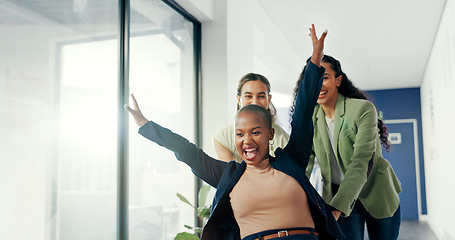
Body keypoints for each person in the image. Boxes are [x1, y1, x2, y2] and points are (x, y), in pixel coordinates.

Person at [125, 25, 344, 240]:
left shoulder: (292, 159)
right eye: (240, 134)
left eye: (255, 132)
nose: (247, 140)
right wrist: (144, 124)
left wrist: (315, 60)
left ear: (270, 134)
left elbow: (303, 112)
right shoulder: (227, 175)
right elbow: (186, 151)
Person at [291, 55, 402, 240]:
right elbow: (304, 162)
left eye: (324, 77)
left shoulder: (363, 109)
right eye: (313, 79)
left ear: (338, 80)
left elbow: (361, 161)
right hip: (337, 194)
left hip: (376, 191)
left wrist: (337, 207)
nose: (319, 84)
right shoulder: (311, 117)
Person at [213, 73, 289, 162]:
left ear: (269, 100)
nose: (255, 102)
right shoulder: (222, 138)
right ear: (239, 100)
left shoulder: (283, 139)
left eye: (261, 96)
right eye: (248, 96)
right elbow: (228, 174)